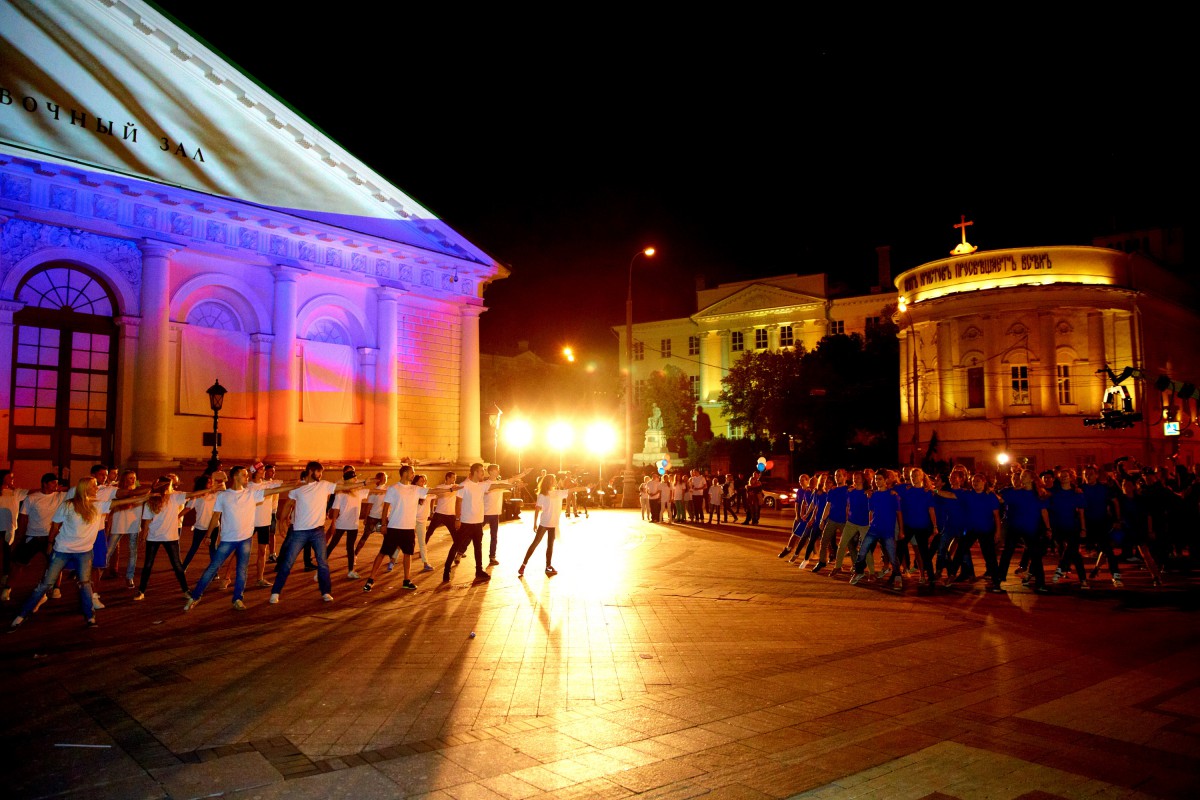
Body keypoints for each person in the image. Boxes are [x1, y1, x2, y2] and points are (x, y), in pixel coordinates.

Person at [9, 476, 142, 629]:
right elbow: (55, 526)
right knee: (45, 584)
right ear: (85, 488)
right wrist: (50, 544)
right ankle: (22, 615)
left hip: (84, 552)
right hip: (62, 550)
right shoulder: (68, 505)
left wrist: (147, 495)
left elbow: (122, 501)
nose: (97, 488)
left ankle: (90, 617)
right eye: (94, 485)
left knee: (85, 584)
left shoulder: (97, 505)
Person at [185, 466, 293, 611]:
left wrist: (299, 484)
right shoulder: (223, 496)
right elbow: (215, 516)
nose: (247, 477)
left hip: (245, 539)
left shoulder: (251, 493)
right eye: (244, 475)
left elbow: (275, 490)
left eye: (247, 474)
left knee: (242, 570)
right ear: (235, 477)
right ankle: (195, 596)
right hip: (228, 539)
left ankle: (237, 598)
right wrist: (208, 535)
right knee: (213, 567)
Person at [270, 462, 363, 604]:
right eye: (319, 472)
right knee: (287, 563)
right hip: (299, 531)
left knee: (323, 563)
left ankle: (326, 592)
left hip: (318, 531)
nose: (321, 475)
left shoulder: (324, 485)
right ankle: (275, 592)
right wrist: (281, 522)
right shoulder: (298, 487)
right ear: (310, 471)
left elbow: (343, 487)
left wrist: (363, 483)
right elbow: (288, 504)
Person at [134, 475, 211, 602]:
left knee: (177, 565)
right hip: (153, 537)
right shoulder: (152, 499)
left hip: (170, 537)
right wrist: (143, 538)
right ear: (166, 486)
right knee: (148, 565)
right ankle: (141, 591)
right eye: (170, 485)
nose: (172, 487)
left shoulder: (175, 496)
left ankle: (185, 590)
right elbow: (147, 521)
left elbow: (192, 494)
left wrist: (210, 489)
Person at [440, 463, 512, 584]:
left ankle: (479, 571)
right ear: (475, 472)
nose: (483, 473)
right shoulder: (464, 485)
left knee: (478, 548)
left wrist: (513, 484)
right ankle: (446, 571)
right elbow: (458, 503)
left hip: (478, 523)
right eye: (481, 471)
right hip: (465, 523)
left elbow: (497, 485)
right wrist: (457, 519)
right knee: (456, 546)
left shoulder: (482, 485)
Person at [362, 465, 430, 593]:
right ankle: (370, 580)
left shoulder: (416, 489)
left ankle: (406, 580)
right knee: (383, 553)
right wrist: (383, 525)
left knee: (408, 554)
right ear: (405, 473)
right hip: (394, 527)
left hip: (409, 528)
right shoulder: (393, 488)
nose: (413, 475)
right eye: (412, 472)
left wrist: (450, 489)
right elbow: (386, 507)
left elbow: (433, 491)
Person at [8, 473, 62, 601]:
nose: (56, 485)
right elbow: (23, 518)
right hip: (32, 536)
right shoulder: (32, 498)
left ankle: (55, 588)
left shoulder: (60, 496)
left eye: (56, 483)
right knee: (19, 563)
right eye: (53, 483)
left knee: (56, 563)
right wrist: (20, 537)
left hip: (51, 536)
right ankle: (8, 588)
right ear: (45, 483)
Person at [850, 473, 904, 589]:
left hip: (887, 530)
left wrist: (901, 530)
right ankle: (859, 572)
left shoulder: (892, 495)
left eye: (880, 479)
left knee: (892, 555)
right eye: (876, 479)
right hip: (874, 528)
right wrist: (870, 524)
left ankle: (898, 576)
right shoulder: (872, 495)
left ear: (886, 480)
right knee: (862, 550)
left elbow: (899, 513)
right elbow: (871, 511)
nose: (877, 481)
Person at [519, 473, 573, 576]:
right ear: (550, 482)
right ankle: (523, 565)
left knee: (550, 545)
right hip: (544, 523)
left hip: (552, 524)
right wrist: (534, 523)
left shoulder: (558, 493)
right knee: (536, 543)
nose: (556, 481)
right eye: (554, 480)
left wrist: (586, 488)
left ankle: (548, 566)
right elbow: (537, 509)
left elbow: (573, 490)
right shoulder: (543, 494)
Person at [327, 465, 370, 579]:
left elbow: (373, 491)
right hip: (341, 523)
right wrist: (333, 523)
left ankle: (351, 571)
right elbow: (336, 509)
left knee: (350, 548)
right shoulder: (340, 493)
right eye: (354, 478)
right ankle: (321, 568)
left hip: (353, 525)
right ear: (349, 480)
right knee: (332, 545)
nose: (356, 480)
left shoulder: (359, 492)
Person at [0, 470, 29, 602]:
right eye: (10, 477)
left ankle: (5, 575)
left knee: (7, 552)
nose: (12, 479)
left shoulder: (16, 492)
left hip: (9, 526)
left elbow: (31, 492)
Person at [251, 463, 281, 588]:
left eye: (264, 469)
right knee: (240, 552)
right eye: (261, 469)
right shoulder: (248, 486)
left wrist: (303, 482)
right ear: (255, 472)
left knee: (262, 552)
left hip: (264, 522)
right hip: (250, 522)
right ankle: (227, 577)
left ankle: (260, 578)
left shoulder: (267, 484)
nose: (264, 471)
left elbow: (284, 486)